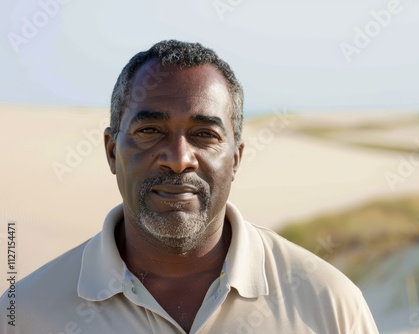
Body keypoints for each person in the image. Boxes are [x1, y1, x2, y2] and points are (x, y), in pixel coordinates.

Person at [0, 40, 379, 333]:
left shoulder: (329, 303)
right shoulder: (25, 314)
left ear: (236, 159)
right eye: (150, 131)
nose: (179, 158)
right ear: (112, 151)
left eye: (204, 134)